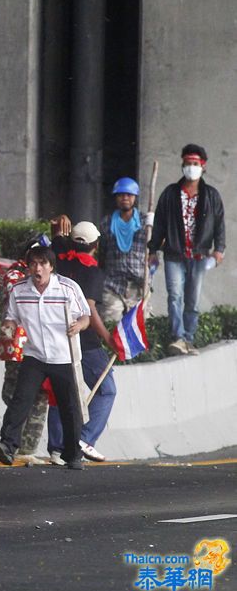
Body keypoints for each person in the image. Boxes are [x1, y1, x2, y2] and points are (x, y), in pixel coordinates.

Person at [0, 246, 90, 470]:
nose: (38, 268)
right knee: (20, 399)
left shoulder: (67, 288)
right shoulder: (20, 290)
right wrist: (9, 327)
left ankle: (73, 453)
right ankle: (7, 445)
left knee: (68, 407)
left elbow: (85, 316)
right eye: (33, 264)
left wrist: (78, 325)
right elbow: (12, 317)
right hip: (35, 354)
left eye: (43, 263)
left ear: (51, 267)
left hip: (64, 355)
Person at [48, 222, 120, 463]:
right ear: (96, 246)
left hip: (55, 335)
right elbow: (89, 310)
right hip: (85, 341)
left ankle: (58, 448)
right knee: (106, 389)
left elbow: (57, 237)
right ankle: (84, 439)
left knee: (61, 391)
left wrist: (58, 232)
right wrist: (109, 339)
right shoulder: (92, 271)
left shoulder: (58, 256)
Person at [149, 144, 226, 356]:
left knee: (192, 299)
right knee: (175, 295)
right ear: (182, 165)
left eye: (195, 164)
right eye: (188, 163)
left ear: (203, 166)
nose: (191, 167)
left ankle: (189, 339)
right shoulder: (170, 194)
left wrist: (219, 250)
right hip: (174, 254)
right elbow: (160, 224)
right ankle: (178, 337)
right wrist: (153, 250)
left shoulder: (211, 195)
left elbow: (219, 224)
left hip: (200, 255)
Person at [98, 178, 151, 324]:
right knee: (111, 324)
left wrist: (155, 226)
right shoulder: (106, 222)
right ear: (116, 198)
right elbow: (101, 252)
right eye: (121, 195)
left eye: (129, 194)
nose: (125, 198)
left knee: (137, 328)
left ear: (135, 197)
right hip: (113, 284)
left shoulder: (145, 221)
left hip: (139, 285)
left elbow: (156, 249)